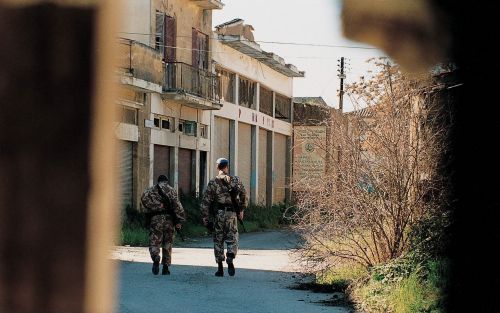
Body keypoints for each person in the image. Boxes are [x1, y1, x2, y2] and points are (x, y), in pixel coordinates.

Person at [201, 158, 248, 277]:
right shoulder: (236, 180)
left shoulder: (213, 182)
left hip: (219, 214)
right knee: (232, 236)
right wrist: (241, 209)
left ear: (217, 167)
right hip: (232, 214)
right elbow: (244, 194)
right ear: (227, 167)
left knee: (218, 239)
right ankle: (230, 256)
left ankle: (220, 269)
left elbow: (206, 202)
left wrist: (205, 217)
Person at [141, 175, 185, 275]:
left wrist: (153, 207)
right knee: (167, 243)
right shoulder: (172, 190)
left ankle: (155, 257)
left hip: (155, 219)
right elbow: (178, 206)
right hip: (169, 220)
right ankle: (165, 267)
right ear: (166, 181)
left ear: (158, 181)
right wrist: (180, 221)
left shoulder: (150, 190)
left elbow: (143, 200)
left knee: (154, 240)